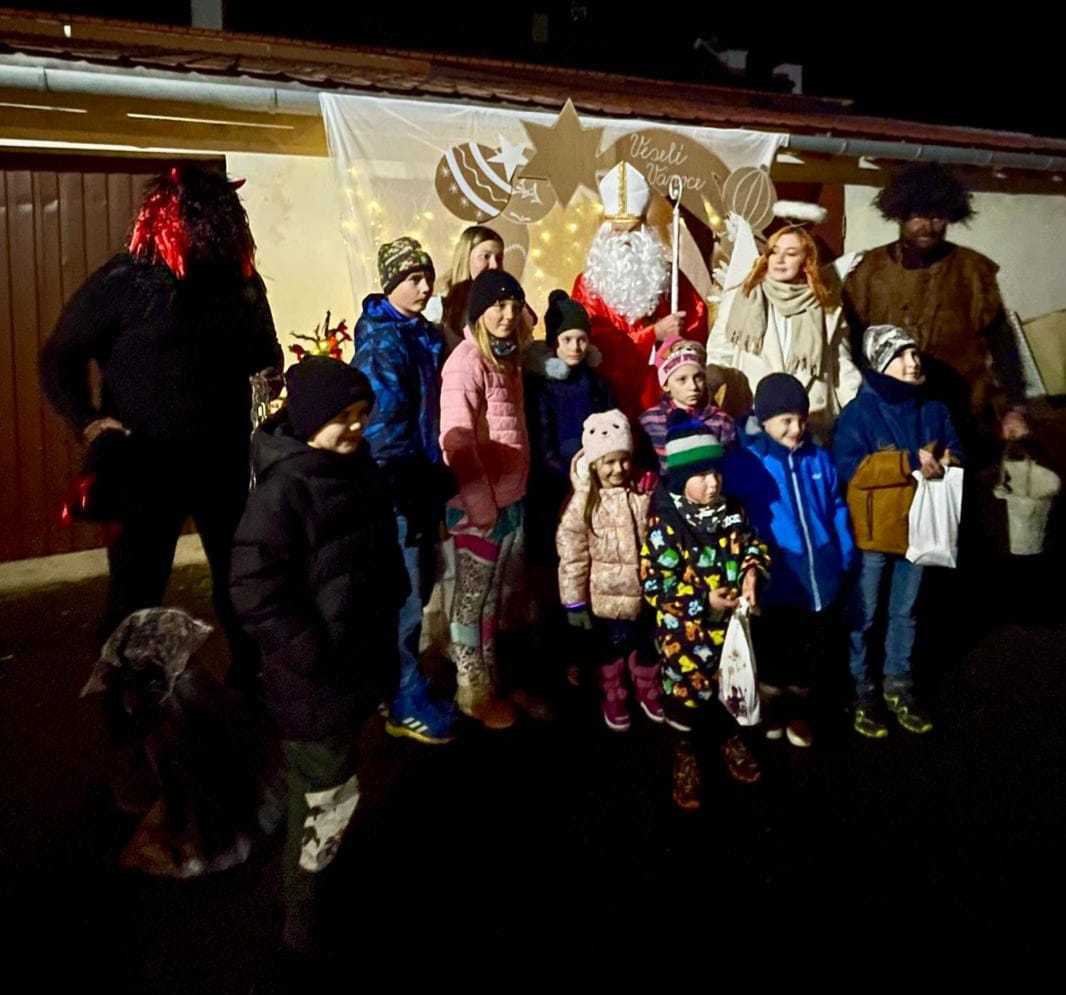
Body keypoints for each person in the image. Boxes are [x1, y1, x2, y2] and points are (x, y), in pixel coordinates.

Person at [39, 166, 280, 686]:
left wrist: (270, 377)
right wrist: (88, 421)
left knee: (242, 581)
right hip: (145, 468)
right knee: (137, 592)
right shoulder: (126, 280)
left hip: (223, 463)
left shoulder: (241, 282)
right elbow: (59, 358)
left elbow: (266, 351)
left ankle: (252, 686)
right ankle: (129, 700)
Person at [230, 356, 407, 957]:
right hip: (313, 675)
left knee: (327, 770)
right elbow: (254, 586)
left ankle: (301, 842)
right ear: (308, 420)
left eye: (361, 414)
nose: (355, 427)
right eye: (341, 417)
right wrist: (308, 651)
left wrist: (395, 592)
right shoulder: (285, 491)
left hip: (351, 660)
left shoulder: (356, 469)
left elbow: (375, 548)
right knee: (327, 792)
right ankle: (304, 914)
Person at [842, 162, 1026, 456]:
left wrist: (1014, 407)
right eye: (917, 216)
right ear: (900, 215)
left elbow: (1002, 342)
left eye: (937, 216)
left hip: (962, 410)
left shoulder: (972, 271)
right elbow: (850, 343)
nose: (927, 226)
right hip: (890, 416)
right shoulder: (868, 272)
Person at [352, 236, 457, 745]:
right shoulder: (383, 344)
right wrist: (402, 478)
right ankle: (402, 697)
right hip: (399, 486)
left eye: (427, 277)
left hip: (421, 480)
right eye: (413, 278)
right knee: (407, 594)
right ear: (391, 282)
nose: (424, 287)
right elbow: (382, 425)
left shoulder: (421, 335)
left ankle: (397, 681)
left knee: (421, 582)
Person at [833, 325, 963, 738]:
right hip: (874, 535)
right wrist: (905, 461)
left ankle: (899, 684)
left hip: (919, 532)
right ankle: (861, 689)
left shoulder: (933, 409)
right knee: (864, 614)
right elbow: (850, 468)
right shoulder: (859, 413)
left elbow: (956, 450)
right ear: (880, 364)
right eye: (901, 355)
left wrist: (948, 460)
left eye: (914, 353)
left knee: (906, 612)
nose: (913, 362)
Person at [641, 411, 770, 809]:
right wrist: (702, 601)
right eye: (700, 475)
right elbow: (654, 586)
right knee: (686, 698)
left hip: (730, 632)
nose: (712, 482)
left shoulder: (733, 511)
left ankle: (732, 740)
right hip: (684, 638)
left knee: (732, 690)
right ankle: (685, 754)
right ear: (681, 478)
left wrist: (752, 572)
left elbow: (753, 544)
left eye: (715, 472)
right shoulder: (665, 525)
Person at [726, 373, 856, 748]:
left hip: (821, 571)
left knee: (810, 649)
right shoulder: (749, 461)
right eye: (786, 420)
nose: (796, 428)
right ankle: (771, 708)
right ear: (764, 420)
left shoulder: (818, 457)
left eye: (801, 418)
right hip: (777, 572)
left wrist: (843, 550)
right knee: (774, 647)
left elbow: (835, 506)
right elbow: (735, 513)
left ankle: (798, 711)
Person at [440, 269, 533, 728]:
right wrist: (482, 506)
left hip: (507, 499)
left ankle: (491, 677)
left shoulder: (506, 359)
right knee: (471, 598)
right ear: (479, 311)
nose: (508, 314)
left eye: (514, 305)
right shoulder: (466, 362)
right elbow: (457, 440)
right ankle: (471, 689)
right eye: (498, 305)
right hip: (480, 507)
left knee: (492, 595)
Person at [571, 161, 707, 419]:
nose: (625, 239)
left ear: (645, 229)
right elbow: (595, 344)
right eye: (617, 230)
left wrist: (679, 339)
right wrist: (653, 333)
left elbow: (695, 321)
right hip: (608, 400)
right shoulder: (587, 284)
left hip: (660, 399)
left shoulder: (668, 277)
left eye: (633, 230)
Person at [556, 410, 660, 730]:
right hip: (605, 599)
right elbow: (572, 556)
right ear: (594, 464)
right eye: (609, 462)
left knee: (646, 643)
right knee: (610, 647)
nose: (618, 469)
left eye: (624, 460)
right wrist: (574, 602)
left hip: (644, 593)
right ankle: (612, 690)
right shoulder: (583, 503)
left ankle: (646, 684)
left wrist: (652, 490)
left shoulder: (640, 493)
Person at [716, 221, 861, 441]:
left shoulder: (826, 308)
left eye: (791, 254)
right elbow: (720, 354)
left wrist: (859, 410)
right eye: (774, 252)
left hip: (810, 421)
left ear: (806, 261)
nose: (780, 259)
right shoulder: (743, 298)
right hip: (755, 419)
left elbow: (841, 365)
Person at [639, 336, 736, 472]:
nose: (693, 386)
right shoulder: (650, 421)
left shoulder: (721, 420)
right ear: (666, 385)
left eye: (698, 378)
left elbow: (729, 463)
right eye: (682, 380)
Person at [436, 224, 505, 353]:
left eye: (499, 258)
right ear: (466, 258)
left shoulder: (505, 297)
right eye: (486, 256)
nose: (494, 265)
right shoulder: (441, 301)